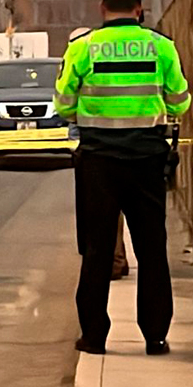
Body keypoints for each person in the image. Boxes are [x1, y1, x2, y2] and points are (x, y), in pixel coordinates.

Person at [56, 0, 191, 356]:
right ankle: (155, 337)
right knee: (151, 250)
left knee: (97, 249)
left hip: (98, 161)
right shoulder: (161, 47)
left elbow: (65, 104)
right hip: (147, 159)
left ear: (103, 9)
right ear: (139, 9)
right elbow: (179, 102)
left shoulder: (82, 48)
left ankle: (95, 337)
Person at [67, 26, 130, 282]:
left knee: (103, 209)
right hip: (123, 143)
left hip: (97, 147)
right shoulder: (105, 63)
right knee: (114, 210)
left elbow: (66, 104)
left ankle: (111, 261)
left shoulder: (82, 64)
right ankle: (116, 259)